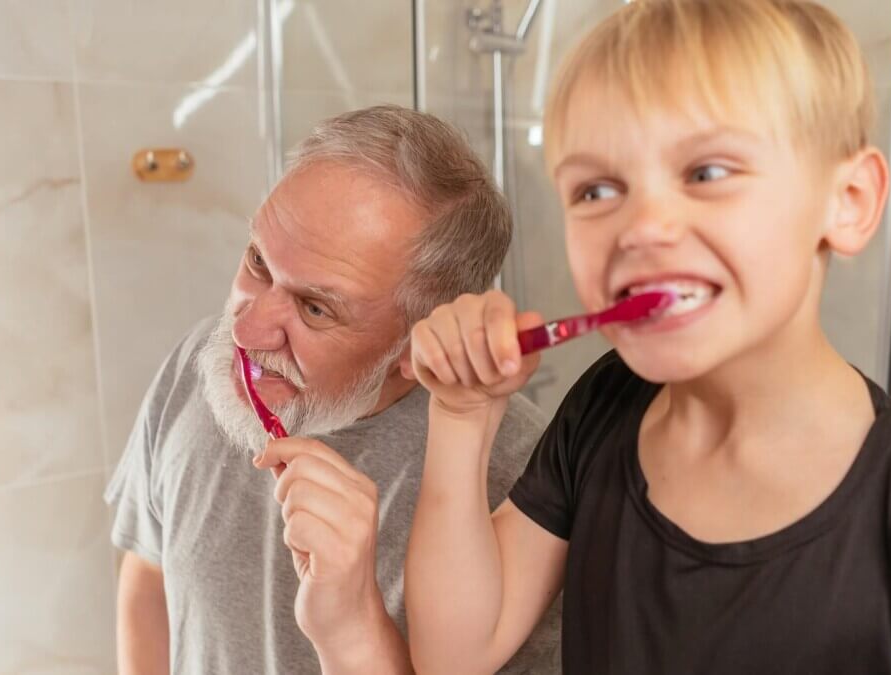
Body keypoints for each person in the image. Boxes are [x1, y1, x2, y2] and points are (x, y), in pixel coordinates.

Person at [403, 1, 891, 673]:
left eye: (707, 173)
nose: (643, 225)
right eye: (597, 189)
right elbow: (454, 654)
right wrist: (460, 416)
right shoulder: (604, 407)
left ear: (850, 201)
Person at [105, 105, 560, 674]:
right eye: (257, 263)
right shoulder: (203, 361)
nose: (245, 332)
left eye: (315, 308)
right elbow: (149, 577)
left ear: (413, 351)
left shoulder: (526, 487)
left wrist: (354, 620)